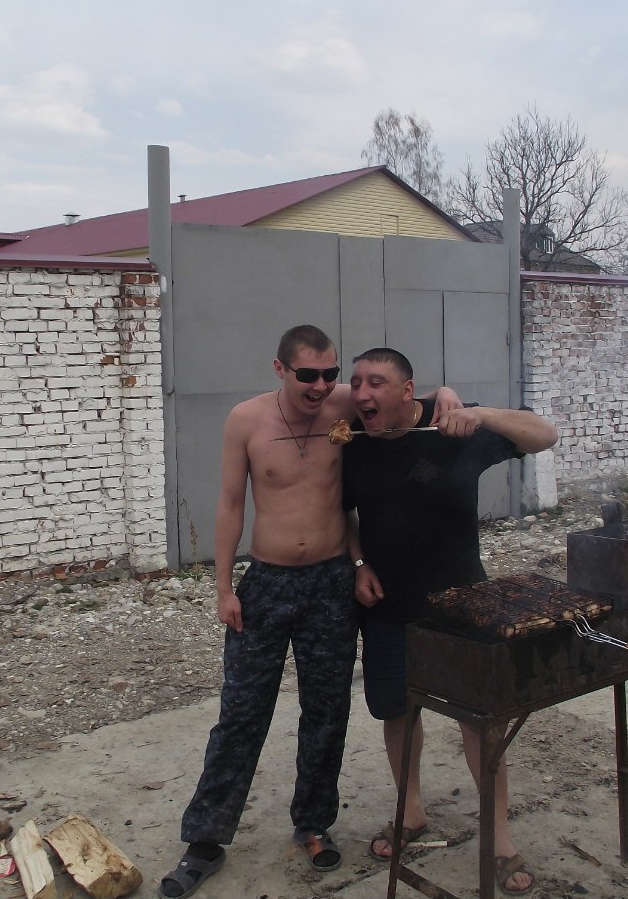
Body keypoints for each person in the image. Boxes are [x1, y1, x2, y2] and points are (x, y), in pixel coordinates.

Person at [159, 326, 460, 899]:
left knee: (326, 710)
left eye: (330, 374)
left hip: (330, 583)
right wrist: (223, 588)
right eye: (308, 375)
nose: (321, 386)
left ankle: (314, 823)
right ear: (280, 369)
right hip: (267, 583)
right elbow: (229, 504)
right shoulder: (246, 420)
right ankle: (206, 839)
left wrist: (446, 393)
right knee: (242, 712)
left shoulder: (345, 404)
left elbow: (407, 399)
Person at [342, 347, 558, 897]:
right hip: (388, 607)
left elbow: (545, 434)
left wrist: (477, 413)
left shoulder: (453, 430)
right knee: (396, 712)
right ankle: (411, 812)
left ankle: (500, 839)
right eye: (356, 382)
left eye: (376, 383)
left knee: (480, 722)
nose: (362, 393)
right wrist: (359, 563)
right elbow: (339, 510)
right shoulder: (352, 442)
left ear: (407, 390)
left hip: (462, 604)